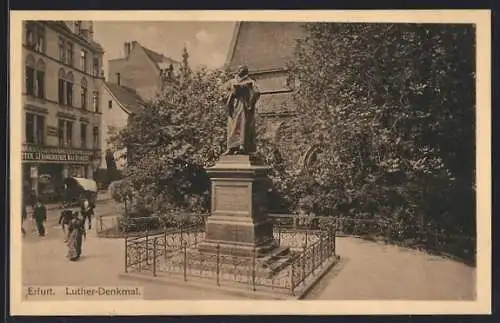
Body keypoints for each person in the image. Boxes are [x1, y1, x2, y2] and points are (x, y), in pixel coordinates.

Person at [223, 65, 261, 155]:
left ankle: (242, 146)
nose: (239, 70)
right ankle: (231, 147)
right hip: (233, 106)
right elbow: (223, 91)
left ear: (245, 71)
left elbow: (257, 92)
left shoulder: (250, 81)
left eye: (241, 69)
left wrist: (247, 90)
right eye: (238, 69)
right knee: (231, 127)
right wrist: (231, 93)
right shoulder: (231, 81)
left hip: (243, 105)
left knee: (242, 124)